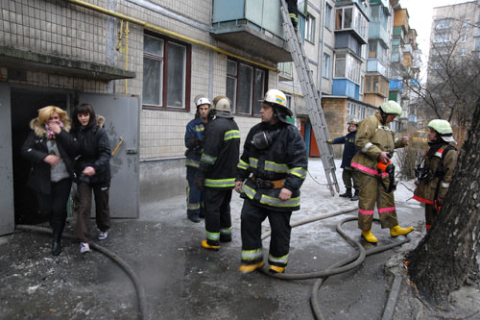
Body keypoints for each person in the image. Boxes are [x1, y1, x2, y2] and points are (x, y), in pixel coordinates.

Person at [235, 89, 308, 274]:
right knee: (247, 220)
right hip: (255, 189)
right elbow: (246, 157)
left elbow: (299, 165)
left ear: (276, 111)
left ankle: (277, 263)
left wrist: (290, 187)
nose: (261, 111)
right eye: (262, 107)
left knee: (279, 230)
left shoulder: (291, 133)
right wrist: (240, 177)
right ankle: (252, 260)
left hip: (279, 193)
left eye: (265, 107)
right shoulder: (256, 130)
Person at [351, 101, 414, 244]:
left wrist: (400, 143)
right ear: (384, 113)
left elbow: (387, 145)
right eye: (392, 116)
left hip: (382, 168)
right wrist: (378, 153)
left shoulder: (386, 126)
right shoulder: (371, 121)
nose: (393, 119)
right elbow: (360, 141)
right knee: (368, 199)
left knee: (387, 197)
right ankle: (365, 230)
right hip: (368, 168)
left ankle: (394, 227)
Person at [21, 106, 76, 256]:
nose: (53, 121)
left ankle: (56, 239)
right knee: (46, 210)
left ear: (61, 119)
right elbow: (25, 150)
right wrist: (44, 157)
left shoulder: (66, 131)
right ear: (44, 120)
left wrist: (61, 133)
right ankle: (55, 226)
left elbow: (74, 148)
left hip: (63, 178)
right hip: (43, 179)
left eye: (56, 118)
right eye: (50, 119)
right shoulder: (36, 132)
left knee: (58, 209)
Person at [195, 97, 240, 251]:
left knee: (212, 209)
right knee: (224, 207)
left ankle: (213, 241)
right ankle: (225, 236)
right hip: (229, 178)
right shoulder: (233, 125)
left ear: (215, 109)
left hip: (215, 179)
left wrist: (200, 173)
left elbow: (209, 155)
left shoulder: (214, 126)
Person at [72, 104, 112, 254]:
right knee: (84, 205)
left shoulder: (100, 132)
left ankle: (104, 227)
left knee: (102, 204)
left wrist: (94, 167)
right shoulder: (76, 132)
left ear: (91, 115)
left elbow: (106, 154)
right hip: (84, 174)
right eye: (80, 115)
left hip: (101, 174)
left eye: (85, 115)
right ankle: (84, 241)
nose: (83, 118)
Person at [413, 119, 458, 232]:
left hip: (437, 192)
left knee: (436, 219)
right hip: (430, 189)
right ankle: (428, 236)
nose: (430, 134)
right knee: (428, 217)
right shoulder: (434, 148)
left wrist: (441, 196)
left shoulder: (450, 152)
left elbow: (448, 176)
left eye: (432, 131)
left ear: (440, 134)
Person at [185, 96, 211, 223]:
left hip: (206, 163)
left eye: (206, 108)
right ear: (198, 110)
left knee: (204, 188)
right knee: (194, 188)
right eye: (201, 109)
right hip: (194, 162)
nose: (204, 111)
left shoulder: (212, 124)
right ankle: (192, 213)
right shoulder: (192, 125)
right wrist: (197, 142)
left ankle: (202, 211)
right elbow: (187, 142)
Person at [328, 117, 360, 201]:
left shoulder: (358, 137)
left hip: (355, 162)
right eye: (350, 126)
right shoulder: (348, 136)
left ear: (357, 127)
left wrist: (355, 162)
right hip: (347, 161)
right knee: (346, 177)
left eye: (353, 126)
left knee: (356, 178)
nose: (351, 127)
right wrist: (332, 141)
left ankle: (357, 193)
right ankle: (348, 192)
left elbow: (357, 151)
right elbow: (341, 139)